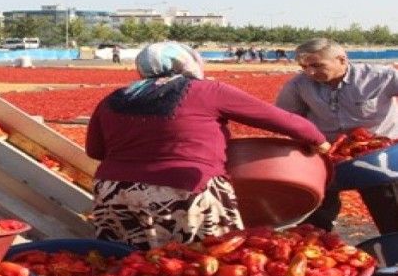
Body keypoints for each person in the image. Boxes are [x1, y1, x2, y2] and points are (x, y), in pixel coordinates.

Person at [86, 42, 328, 249]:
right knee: (200, 262)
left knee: (127, 263)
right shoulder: (207, 91)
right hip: (183, 189)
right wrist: (318, 140)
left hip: (114, 192)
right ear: (188, 62)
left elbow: (95, 150)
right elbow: (278, 118)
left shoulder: (115, 98)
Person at [276, 38, 398, 233]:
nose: (310, 72)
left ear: (342, 59)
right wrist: (306, 140)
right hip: (328, 152)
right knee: (316, 214)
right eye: (304, 67)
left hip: (377, 154)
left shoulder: (379, 76)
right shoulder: (299, 85)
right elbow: (286, 118)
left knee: (389, 208)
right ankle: (316, 243)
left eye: (317, 65)